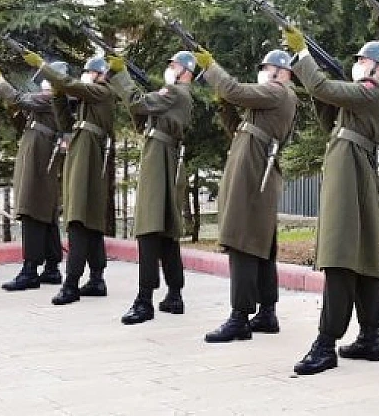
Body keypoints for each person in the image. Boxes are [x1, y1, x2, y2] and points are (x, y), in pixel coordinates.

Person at [283, 32, 379, 375]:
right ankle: (370, 336)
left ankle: (325, 342)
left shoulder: (374, 90)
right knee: (361, 255)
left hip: (352, 175)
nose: (357, 65)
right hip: (353, 172)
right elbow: (328, 118)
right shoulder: (365, 96)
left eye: (363, 61)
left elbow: (321, 88)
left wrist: (302, 53)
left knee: (339, 256)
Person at [194, 47, 297, 343]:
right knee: (259, 245)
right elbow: (239, 130)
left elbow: (234, 89)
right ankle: (266, 312)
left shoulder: (279, 92)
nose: (263, 72)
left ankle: (240, 317)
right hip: (252, 169)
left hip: (254, 174)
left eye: (267, 68)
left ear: (281, 72)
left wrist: (211, 67)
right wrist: (223, 104)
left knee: (243, 242)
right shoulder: (268, 100)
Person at [22, 53, 117, 306]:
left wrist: (44, 68)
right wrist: (57, 95)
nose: (85, 74)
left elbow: (72, 85)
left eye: (90, 71)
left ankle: (71, 283)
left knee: (79, 220)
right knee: (89, 221)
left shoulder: (102, 91)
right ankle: (97, 278)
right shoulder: (88, 101)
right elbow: (65, 122)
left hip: (89, 157)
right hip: (80, 152)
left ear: (101, 74)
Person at [108, 52, 196, 324]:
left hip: (159, 159)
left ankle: (144, 300)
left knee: (148, 228)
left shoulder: (176, 92)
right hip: (161, 155)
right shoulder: (174, 94)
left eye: (174, 65)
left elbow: (138, 103)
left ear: (186, 71)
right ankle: (174, 293)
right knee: (166, 230)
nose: (169, 68)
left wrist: (121, 76)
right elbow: (142, 117)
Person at [0, 61, 68, 291]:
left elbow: (18, 99)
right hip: (41, 154)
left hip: (40, 157)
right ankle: (51, 267)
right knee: (45, 212)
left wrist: (0, 81)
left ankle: (30, 270)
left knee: (33, 210)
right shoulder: (51, 100)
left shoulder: (50, 98)